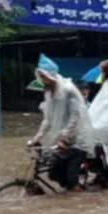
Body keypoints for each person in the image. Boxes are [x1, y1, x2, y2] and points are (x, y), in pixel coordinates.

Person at [29, 55, 94, 190]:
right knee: (53, 173)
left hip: (78, 139)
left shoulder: (68, 89)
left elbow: (75, 117)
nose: (42, 79)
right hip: (62, 139)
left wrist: (64, 138)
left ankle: (78, 197)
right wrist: (36, 138)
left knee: (71, 178)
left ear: (51, 75)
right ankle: (69, 197)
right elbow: (48, 119)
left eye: (44, 76)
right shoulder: (48, 92)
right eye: (40, 75)